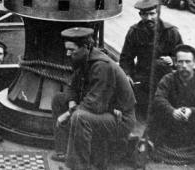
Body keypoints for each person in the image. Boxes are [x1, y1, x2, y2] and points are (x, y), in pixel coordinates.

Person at [51, 27, 136, 170]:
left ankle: (78, 166)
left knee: (80, 117)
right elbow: (72, 86)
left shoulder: (101, 66)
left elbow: (94, 104)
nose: (68, 53)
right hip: (105, 110)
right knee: (59, 99)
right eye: (67, 50)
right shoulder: (84, 59)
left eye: (72, 50)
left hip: (121, 118)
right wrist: (71, 102)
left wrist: (67, 114)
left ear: (86, 47)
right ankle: (63, 152)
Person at [148, 44, 195, 169]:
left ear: (194, 62)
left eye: (188, 62)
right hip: (172, 122)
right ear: (175, 63)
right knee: (157, 112)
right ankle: (145, 146)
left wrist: (191, 111)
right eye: (180, 62)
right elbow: (158, 98)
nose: (184, 66)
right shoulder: (168, 79)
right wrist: (172, 111)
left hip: (194, 124)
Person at [119, 0, 183, 113]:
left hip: (165, 76)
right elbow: (126, 57)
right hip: (143, 75)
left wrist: (173, 60)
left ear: (158, 13)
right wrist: (127, 74)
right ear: (140, 15)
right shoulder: (134, 32)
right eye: (144, 14)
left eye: (152, 14)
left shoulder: (171, 31)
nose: (148, 18)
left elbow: (183, 55)